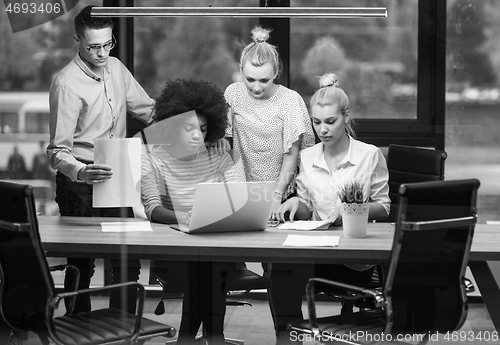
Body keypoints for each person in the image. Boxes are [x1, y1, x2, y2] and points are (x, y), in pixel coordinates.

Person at [46, 5, 154, 314]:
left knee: (127, 260)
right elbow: (57, 151)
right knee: (81, 265)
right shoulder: (66, 83)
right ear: (77, 40)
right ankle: (77, 327)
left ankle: (123, 326)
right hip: (80, 183)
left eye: (108, 44)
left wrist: (188, 118)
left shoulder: (117, 68)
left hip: (118, 175)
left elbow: (147, 110)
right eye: (94, 46)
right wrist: (80, 172)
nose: (103, 52)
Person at [271, 73, 390, 344]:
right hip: (315, 250)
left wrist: (350, 212)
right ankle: (287, 337)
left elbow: (383, 208)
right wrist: (294, 204)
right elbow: (308, 208)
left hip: (353, 257)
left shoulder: (369, 155)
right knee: (281, 269)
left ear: (346, 117)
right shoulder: (307, 156)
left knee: (287, 272)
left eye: (330, 121)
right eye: (316, 122)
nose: (322, 130)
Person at [140, 78, 238, 345]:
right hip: (176, 249)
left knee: (208, 265)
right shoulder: (154, 155)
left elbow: (238, 197)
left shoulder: (217, 153)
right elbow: (153, 210)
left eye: (204, 130)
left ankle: (189, 338)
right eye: (189, 128)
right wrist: (189, 218)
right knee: (203, 268)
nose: (198, 136)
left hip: (217, 245)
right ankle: (212, 338)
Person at [222, 26, 315, 218]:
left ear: (276, 72)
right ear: (240, 71)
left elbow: (292, 155)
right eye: (249, 79)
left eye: (264, 80)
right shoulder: (232, 93)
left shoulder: (290, 99)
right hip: (240, 190)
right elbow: (226, 141)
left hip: (280, 192)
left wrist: (276, 194)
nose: (256, 87)